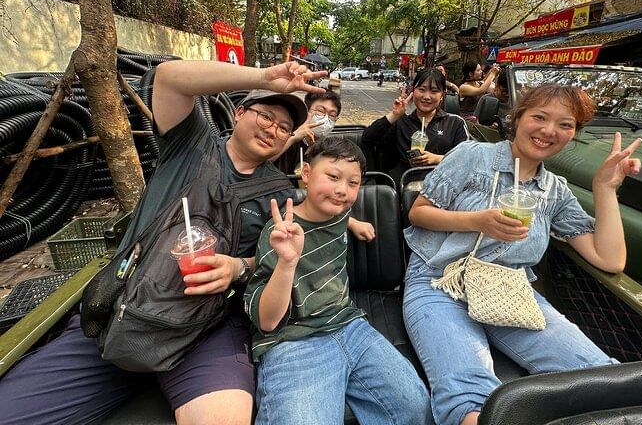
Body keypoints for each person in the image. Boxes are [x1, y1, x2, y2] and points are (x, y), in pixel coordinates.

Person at [0, 60, 327, 425]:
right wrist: (263, 77)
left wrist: (237, 268)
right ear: (239, 113)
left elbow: (267, 262)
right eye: (265, 116)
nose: (272, 130)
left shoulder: (278, 193)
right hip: (126, 308)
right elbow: (169, 79)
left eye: (284, 128)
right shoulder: (190, 144)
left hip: (207, 329)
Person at [402, 84, 642, 425]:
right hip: (440, 281)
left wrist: (605, 187)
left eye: (565, 124)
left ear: (573, 134)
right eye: (539, 117)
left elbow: (610, 260)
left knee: (599, 376)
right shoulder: (472, 155)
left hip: (508, 290)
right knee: (470, 398)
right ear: (517, 118)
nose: (549, 131)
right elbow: (419, 212)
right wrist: (478, 221)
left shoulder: (554, 191)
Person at [245, 136, 432, 424]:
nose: (342, 190)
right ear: (306, 173)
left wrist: (355, 222)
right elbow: (267, 322)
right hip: (294, 338)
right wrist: (287, 262)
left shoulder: (339, 212)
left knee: (415, 408)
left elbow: (341, 210)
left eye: (353, 183)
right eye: (332, 177)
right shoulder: (280, 233)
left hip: (349, 324)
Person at [273, 89, 375, 241]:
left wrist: (351, 221)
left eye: (332, 115)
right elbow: (262, 160)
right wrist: (294, 137)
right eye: (320, 111)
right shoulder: (285, 139)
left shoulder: (332, 150)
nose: (326, 118)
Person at [362, 68, 469, 185]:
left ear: (442, 95)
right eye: (422, 90)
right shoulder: (401, 122)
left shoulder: (455, 123)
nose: (427, 96)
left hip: (442, 187)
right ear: (413, 91)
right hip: (404, 186)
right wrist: (395, 114)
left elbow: (467, 160)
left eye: (434, 91)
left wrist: (437, 159)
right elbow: (367, 138)